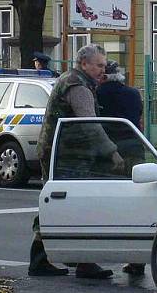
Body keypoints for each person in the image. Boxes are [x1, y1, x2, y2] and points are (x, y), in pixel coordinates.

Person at [29, 44, 123, 279]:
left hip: (64, 153)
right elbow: (89, 123)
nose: (103, 70)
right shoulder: (78, 86)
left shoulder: (73, 80)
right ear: (84, 64)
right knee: (68, 206)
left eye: (104, 65)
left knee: (69, 206)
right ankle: (69, 261)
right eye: (99, 65)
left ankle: (73, 260)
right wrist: (112, 152)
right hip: (65, 156)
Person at [97, 61, 147, 276]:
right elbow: (140, 120)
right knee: (135, 204)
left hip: (110, 154)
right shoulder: (134, 94)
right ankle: (136, 260)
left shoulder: (98, 93)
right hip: (134, 151)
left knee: (106, 203)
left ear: (104, 76)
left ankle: (96, 255)